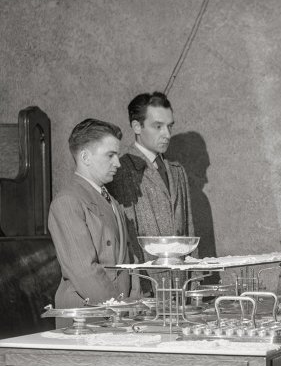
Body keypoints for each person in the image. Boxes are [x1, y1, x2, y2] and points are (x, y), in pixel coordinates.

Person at [48, 118, 139, 318]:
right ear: (85, 157)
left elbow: (127, 261)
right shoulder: (68, 202)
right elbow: (83, 271)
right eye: (110, 155)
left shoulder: (111, 201)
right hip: (87, 317)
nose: (118, 163)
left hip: (117, 314)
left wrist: (135, 303)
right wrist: (120, 308)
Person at [108, 91, 195, 278]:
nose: (167, 134)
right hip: (147, 285)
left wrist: (193, 285)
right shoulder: (120, 171)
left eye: (169, 126)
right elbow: (124, 239)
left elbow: (188, 233)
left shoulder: (177, 172)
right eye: (158, 126)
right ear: (137, 126)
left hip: (181, 286)